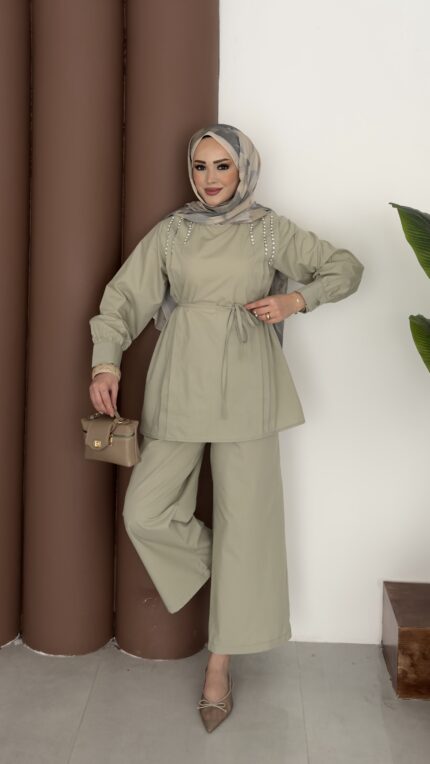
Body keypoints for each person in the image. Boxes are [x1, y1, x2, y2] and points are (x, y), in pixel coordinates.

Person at [88, 123, 364, 733]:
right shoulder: (173, 232)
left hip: (249, 384)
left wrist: (296, 301)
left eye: (222, 166)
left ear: (243, 170)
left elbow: (345, 267)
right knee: (145, 511)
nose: (210, 179)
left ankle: (219, 667)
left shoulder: (268, 229)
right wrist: (106, 362)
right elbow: (124, 298)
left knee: (248, 516)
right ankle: (240, 567)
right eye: (200, 166)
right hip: (180, 380)